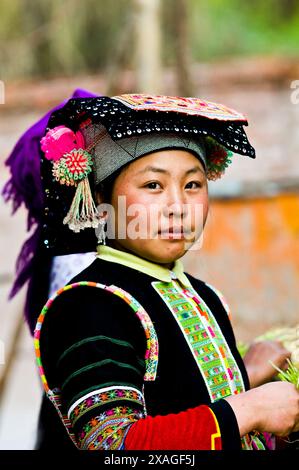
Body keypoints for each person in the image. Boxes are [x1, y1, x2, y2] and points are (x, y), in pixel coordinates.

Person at [32, 93, 299, 451]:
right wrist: (249, 409)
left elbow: (181, 404)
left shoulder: (205, 295)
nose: (177, 207)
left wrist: (252, 386)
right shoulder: (90, 305)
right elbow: (112, 446)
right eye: (153, 186)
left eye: (192, 185)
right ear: (102, 200)